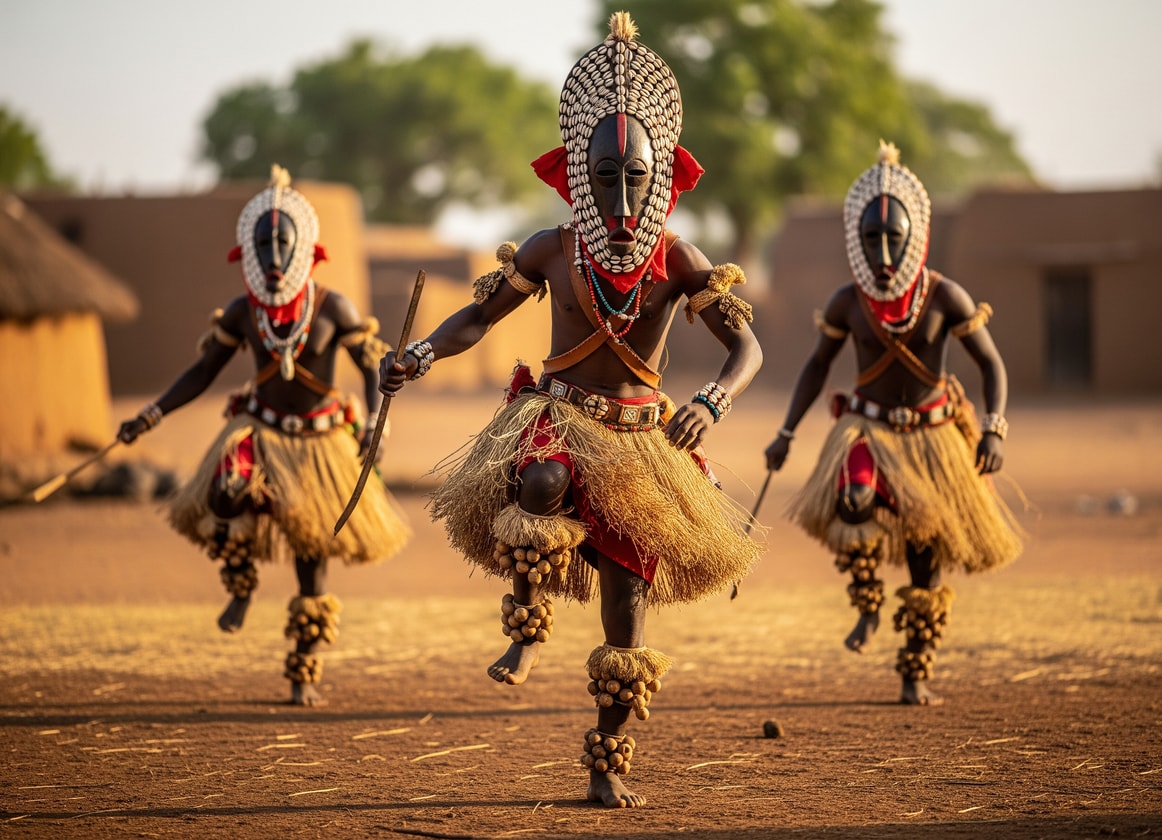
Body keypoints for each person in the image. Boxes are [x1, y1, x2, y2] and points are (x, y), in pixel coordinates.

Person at [378, 12, 762, 808]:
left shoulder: (681, 261)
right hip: (556, 417)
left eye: (635, 177)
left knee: (628, 612)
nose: (620, 193)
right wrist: (420, 354)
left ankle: (607, 762)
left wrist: (713, 402)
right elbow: (479, 319)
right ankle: (524, 618)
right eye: (604, 178)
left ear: (663, 178)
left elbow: (746, 350)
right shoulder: (553, 250)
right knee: (542, 480)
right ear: (575, 178)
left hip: (640, 443)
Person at [118, 166, 411, 706]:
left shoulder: (332, 307)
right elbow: (202, 373)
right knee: (226, 494)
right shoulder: (244, 312)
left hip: (321, 443)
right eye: (262, 245)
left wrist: (376, 423)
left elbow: (374, 366)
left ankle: (304, 668)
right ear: (248, 252)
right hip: (257, 430)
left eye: (282, 243)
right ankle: (240, 584)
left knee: (309, 551)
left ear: (304, 249)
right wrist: (151, 414)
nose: (273, 257)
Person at [764, 142, 1023, 706]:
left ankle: (915, 670)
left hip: (934, 438)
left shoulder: (944, 296)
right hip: (867, 431)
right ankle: (867, 602)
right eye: (870, 240)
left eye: (893, 239)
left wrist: (994, 427)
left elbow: (991, 364)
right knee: (854, 500)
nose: (882, 252)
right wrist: (785, 432)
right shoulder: (847, 303)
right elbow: (816, 367)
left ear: (916, 237)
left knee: (926, 549)